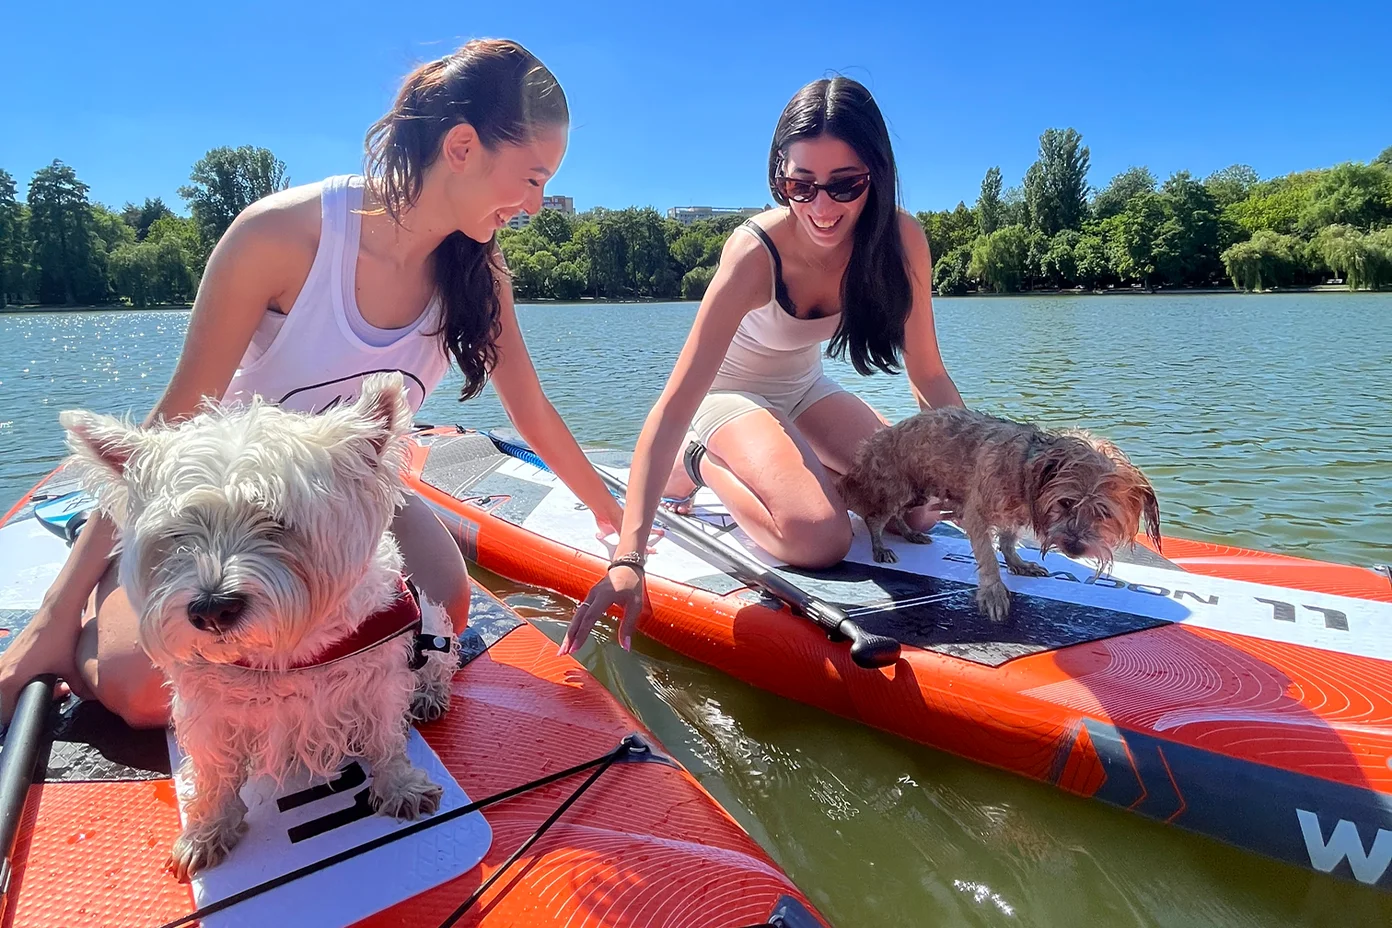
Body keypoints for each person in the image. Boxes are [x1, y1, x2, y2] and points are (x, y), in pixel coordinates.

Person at [0, 39, 624, 728]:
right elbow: (167, 429)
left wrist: (614, 527)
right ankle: (98, 604)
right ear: (463, 147)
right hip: (222, 510)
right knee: (146, 697)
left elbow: (532, 411)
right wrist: (50, 621)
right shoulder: (280, 236)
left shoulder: (480, 274)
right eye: (532, 178)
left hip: (351, 504)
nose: (536, 205)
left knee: (434, 628)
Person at [563, 76, 964, 655]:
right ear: (780, 176)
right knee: (818, 538)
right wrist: (629, 554)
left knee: (920, 507)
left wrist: (976, 471)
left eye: (845, 185)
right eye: (800, 185)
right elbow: (673, 404)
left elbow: (927, 374)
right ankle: (702, 464)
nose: (821, 208)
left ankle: (800, 467)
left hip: (803, 390)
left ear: (876, 175)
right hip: (727, 399)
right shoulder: (755, 254)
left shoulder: (901, 242)